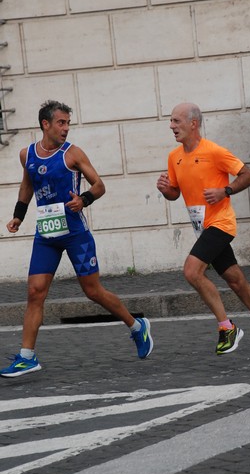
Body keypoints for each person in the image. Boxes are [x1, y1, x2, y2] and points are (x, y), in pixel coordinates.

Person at [0, 100, 153, 378]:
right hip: (46, 234)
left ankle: (136, 326)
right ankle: (27, 357)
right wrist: (18, 215)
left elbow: (99, 185)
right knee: (35, 292)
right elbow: (28, 185)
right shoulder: (27, 154)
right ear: (45, 124)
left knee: (93, 291)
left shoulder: (73, 154)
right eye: (61, 122)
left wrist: (83, 200)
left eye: (68, 123)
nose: (66, 128)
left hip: (74, 234)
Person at [156, 102, 250, 360]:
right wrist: (166, 190)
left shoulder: (214, 152)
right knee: (236, 281)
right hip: (203, 227)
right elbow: (175, 193)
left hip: (221, 224)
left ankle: (226, 328)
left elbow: (248, 175)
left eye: (176, 121)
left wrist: (225, 191)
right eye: (171, 121)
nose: (171, 126)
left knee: (191, 270)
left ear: (193, 123)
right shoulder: (174, 157)